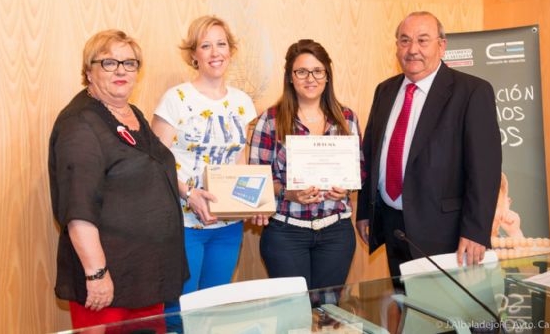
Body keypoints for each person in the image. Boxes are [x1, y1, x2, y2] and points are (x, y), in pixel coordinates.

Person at [48, 30, 188, 331]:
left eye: (130, 63)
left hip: (147, 276)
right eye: (109, 63)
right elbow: (78, 208)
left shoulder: (131, 113)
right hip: (108, 283)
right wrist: (96, 275)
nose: (121, 70)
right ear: (89, 71)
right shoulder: (80, 124)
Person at [356, 11, 502, 279]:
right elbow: (372, 154)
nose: (413, 50)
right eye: (404, 40)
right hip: (393, 226)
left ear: (441, 45)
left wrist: (475, 231)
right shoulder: (385, 90)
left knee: (448, 315)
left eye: (423, 40)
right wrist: (366, 211)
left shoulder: (471, 92)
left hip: (446, 233)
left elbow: (485, 171)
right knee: (406, 306)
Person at [151, 16, 257, 308]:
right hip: (183, 223)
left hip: (227, 225)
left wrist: (256, 203)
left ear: (231, 50)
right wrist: (188, 193)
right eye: (206, 45)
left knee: (214, 307)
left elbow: (241, 160)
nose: (215, 53)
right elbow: (154, 165)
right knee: (180, 308)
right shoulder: (176, 99)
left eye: (221, 44)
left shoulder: (242, 102)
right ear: (194, 55)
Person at [249, 39, 364, 290]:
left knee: (328, 312)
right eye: (301, 71)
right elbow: (257, 180)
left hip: (336, 232)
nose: (310, 78)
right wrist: (287, 193)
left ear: (327, 75)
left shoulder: (346, 119)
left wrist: (347, 188)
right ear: (290, 77)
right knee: (293, 314)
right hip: (286, 233)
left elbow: (359, 172)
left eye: (317, 71)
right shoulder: (270, 120)